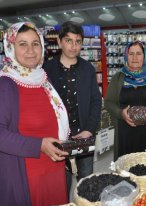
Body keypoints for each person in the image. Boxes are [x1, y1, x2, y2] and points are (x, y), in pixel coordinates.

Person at [0, 22, 69, 206]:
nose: (31, 51)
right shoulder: (6, 85)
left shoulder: (42, 79)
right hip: (27, 178)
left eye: (35, 44)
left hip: (52, 172)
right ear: (10, 48)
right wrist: (38, 145)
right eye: (22, 44)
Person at [43, 21, 102, 196]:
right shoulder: (47, 69)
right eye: (69, 40)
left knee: (86, 184)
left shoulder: (88, 69)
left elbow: (96, 101)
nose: (73, 46)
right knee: (61, 184)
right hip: (58, 138)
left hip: (83, 137)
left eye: (78, 41)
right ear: (60, 42)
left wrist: (89, 130)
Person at [104, 41, 146, 160]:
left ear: (144, 55)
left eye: (138, 53)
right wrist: (121, 113)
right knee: (128, 169)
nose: (135, 57)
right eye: (131, 54)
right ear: (126, 56)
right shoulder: (118, 78)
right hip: (126, 134)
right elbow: (109, 102)